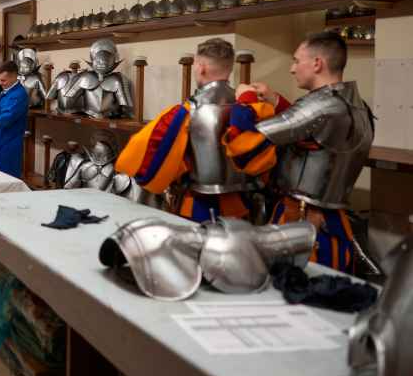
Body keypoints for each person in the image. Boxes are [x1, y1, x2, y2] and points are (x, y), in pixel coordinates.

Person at [225, 31, 373, 272]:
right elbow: (310, 133)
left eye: (296, 60)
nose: (292, 69)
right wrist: (276, 101)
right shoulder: (356, 104)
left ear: (317, 63)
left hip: (303, 223)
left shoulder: (321, 106)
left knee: (294, 297)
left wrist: (245, 99)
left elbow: (246, 144)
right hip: (330, 217)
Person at [115, 38, 263, 221]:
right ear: (230, 68)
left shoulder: (187, 111)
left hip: (199, 204)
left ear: (200, 67)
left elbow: (146, 159)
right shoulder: (250, 106)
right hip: (240, 204)